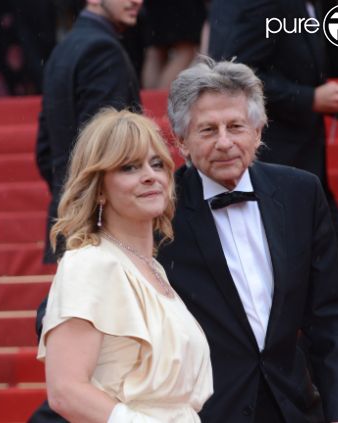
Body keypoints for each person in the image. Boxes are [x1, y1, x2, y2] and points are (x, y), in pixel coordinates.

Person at [156, 58, 338, 422]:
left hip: (294, 409)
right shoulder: (157, 209)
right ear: (182, 142)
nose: (225, 142)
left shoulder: (300, 193)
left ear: (258, 131)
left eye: (235, 126)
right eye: (208, 130)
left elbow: (331, 319)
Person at [37, 109, 213, 422]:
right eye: (129, 167)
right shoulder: (90, 263)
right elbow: (65, 391)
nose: (150, 175)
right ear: (100, 188)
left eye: (156, 163)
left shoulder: (152, 269)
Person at [208, 0, 338, 308]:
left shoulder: (309, 6)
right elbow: (237, 77)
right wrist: (310, 98)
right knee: (320, 284)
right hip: (276, 166)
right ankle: (291, 351)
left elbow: (294, 72)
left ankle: (299, 352)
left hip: (306, 169)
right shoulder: (265, 5)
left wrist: (334, 100)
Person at [36, 0, 143, 263]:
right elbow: (110, 149)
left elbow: (45, 150)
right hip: (100, 226)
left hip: (73, 218)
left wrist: (70, 194)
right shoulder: (102, 51)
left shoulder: (64, 49)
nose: (137, 1)